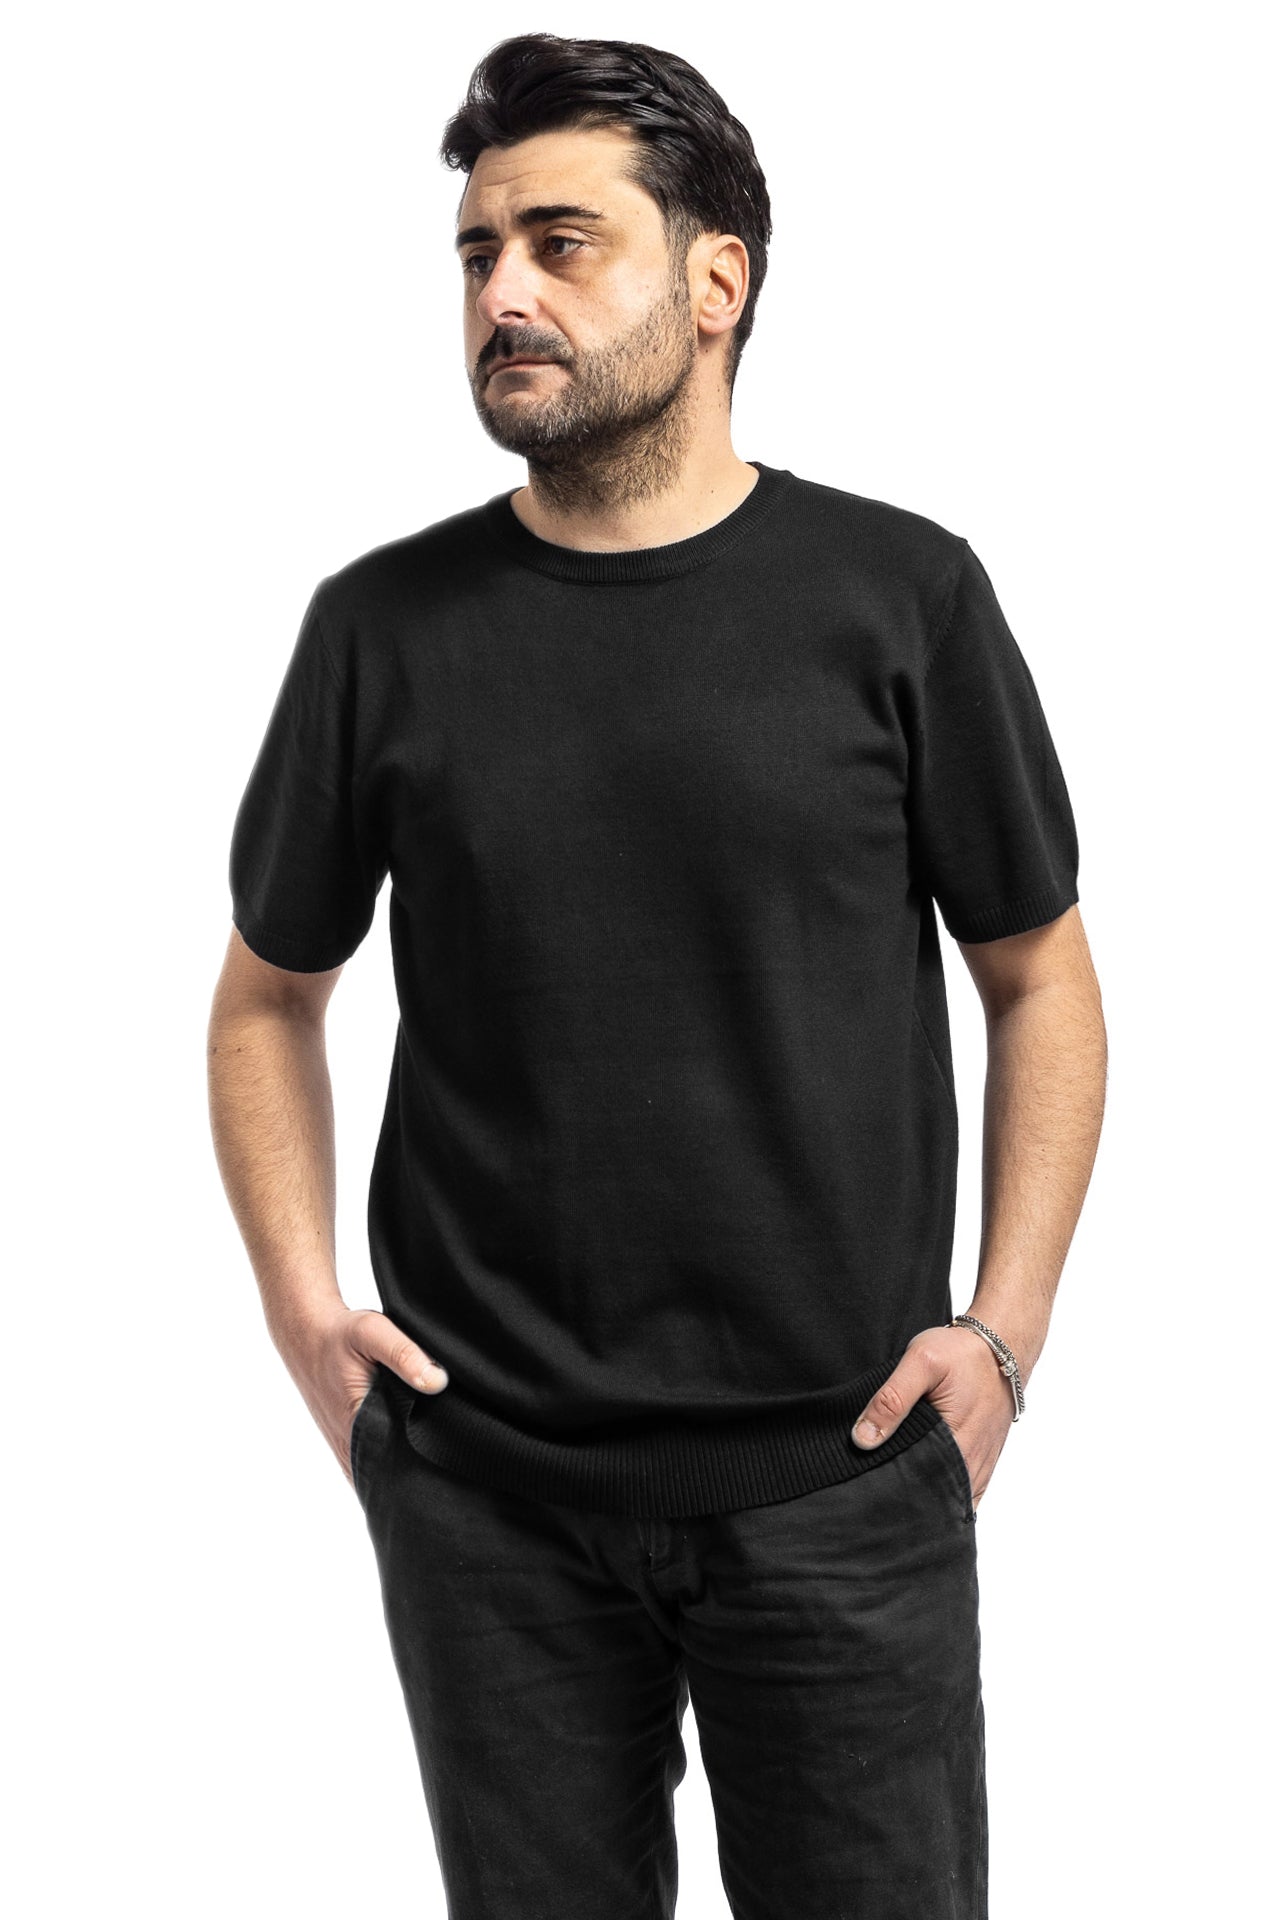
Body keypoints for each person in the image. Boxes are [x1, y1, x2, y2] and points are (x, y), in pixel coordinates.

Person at [208, 32, 1107, 1920]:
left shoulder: (902, 599)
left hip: (844, 1483)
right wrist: (305, 1316)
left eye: (562, 242)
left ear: (716, 283)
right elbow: (266, 996)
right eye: (477, 253)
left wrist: (1004, 1336)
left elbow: (1039, 976)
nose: (501, 294)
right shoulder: (380, 629)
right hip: (487, 1504)